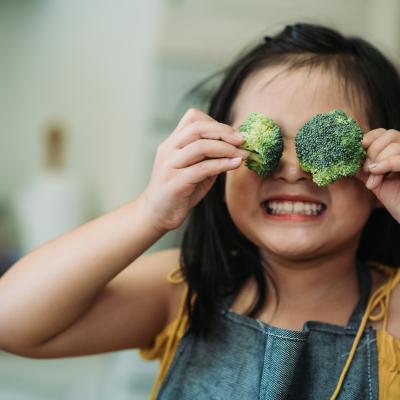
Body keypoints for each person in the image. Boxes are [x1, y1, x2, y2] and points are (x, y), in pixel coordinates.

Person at [1, 23, 400, 399]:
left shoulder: (394, 309)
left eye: (324, 144)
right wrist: (149, 212)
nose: (293, 170)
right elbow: (11, 320)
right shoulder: (183, 288)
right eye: (266, 144)